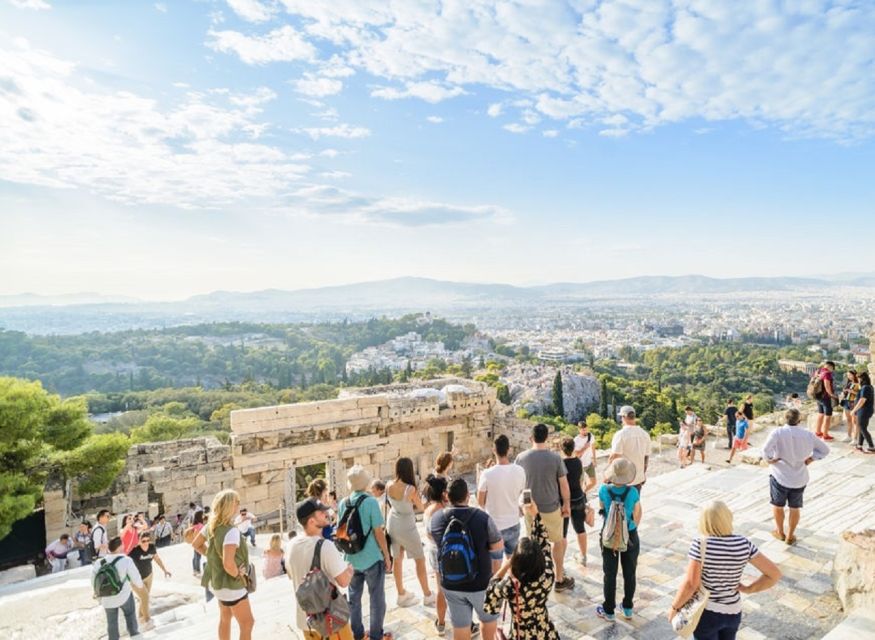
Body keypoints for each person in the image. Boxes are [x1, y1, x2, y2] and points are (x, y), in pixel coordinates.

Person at [668, 501, 781, 640]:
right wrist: (748, 589)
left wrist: (674, 608)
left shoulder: (700, 544)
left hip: (706, 612)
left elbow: (691, 584)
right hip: (733, 611)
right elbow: (774, 574)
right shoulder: (744, 543)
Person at [430, 478, 503, 640]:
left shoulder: (436, 519)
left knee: (461, 626)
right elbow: (497, 547)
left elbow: (433, 542)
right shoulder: (483, 518)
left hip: (451, 583)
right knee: (488, 619)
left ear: (447, 496)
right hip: (481, 583)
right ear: (468, 496)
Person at [483, 501, 559, 640]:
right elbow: (544, 543)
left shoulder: (510, 586)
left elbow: (490, 599)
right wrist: (535, 514)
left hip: (521, 634)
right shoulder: (548, 575)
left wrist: (506, 565)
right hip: (545, 631)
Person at [515, 423, 574, 592]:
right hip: (551, 507)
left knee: (533, 544)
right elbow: (564, 485)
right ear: (547, 438)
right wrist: (567, 505)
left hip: (529, 508)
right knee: (557, 541)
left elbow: (518, 485)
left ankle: (536, 576)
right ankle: (559, 578)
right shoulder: (555, 458)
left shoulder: (521, 458)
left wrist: (519, 505)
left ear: (530, 438)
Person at [287, 497, 353, 640]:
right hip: (330, 621)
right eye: (321, 512)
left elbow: (292, 575)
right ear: (311, 521)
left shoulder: (291, 545)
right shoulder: (325, 546)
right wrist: (349, 570)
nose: (326, 513)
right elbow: (343, 582)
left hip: (307, 620)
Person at [338, 465, 393, 640]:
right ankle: (376, 635)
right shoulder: (370, 502)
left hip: (351, 560)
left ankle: (358, 634)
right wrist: (386, 555)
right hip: (371, 558)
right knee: (376, 599)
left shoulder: (342, 503)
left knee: (354, 599)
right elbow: (379, 532)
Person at [192, 489, 255, 640]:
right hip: (232, 586)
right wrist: (239, 575)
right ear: (229, 506)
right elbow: (228, 564)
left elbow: (196, 544)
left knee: (225, 618)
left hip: (218, 584)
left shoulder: (211, 526)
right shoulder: (231, 531)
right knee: (247, 623)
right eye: (236, 502)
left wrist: (211, 556)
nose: (239, 505)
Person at [762, 409, 830, 545]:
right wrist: (811, 458)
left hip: (779, 475)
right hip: (799, 477)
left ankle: (780, 532)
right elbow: (825, 450)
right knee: (795, 508)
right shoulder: (808, 435)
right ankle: (790, 536)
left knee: (778, 505)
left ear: (784, 419)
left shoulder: (778, 432)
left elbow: (765, 451)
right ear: (799, 420)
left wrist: (770, 459)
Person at [596, 458, 642, 622]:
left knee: (610, 574)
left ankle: (609, 610)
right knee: (629, 573)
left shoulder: (603, 490)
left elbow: (602, 510)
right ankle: (628, 608)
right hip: (629, 536)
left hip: (609, 537)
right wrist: (630, 528)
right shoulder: (633, 492)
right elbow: (638, 514)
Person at [386, 457, 434, 607]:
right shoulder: (410, 489)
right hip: (406, 526)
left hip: (392, 523)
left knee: (397, 559)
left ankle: (401, 594)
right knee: (419, 559)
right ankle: (427, 594)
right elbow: (421, 507)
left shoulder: (388, 485)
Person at [477, 434, 526, 559]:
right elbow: (520, 493)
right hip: (514, 522)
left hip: (494, 525)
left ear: (494, 450)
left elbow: (480, 502)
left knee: (495, 564)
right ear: (509, 449)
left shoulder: (487, 474)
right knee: (512, 562)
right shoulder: (520, 471)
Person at [93, 536, 144, 640]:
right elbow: (136, 578)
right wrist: (140, 586)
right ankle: (135, 636)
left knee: (111, 623)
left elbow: (93, 582)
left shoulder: (99, 563)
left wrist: (100, 598)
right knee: (130, 616)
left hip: (107, 598)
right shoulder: (126, 560)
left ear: (109, 548)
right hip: (123, 596)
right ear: (120, 546)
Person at [129, 530, 172, 630]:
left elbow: (157, 558)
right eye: (143, 541)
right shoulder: (134, 551)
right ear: (139, 541)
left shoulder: (152, 547)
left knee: (144, 598)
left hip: (149, 576)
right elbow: (125, 564)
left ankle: (140, 617)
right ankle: (148, 620)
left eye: (148, 540)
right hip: (136, 579)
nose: (146, 543)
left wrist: (165, 570)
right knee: (145, 597)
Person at [423, 475, 449, 634]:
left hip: (432, 551)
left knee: (440, 588)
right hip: (445, 551)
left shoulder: (427, 510)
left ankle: (441, 623)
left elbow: (428, 535)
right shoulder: (443, 511)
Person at [560, 438, 589, 566]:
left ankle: (560, 560)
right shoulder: (578, 462)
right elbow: (580, 479)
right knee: (580, 529)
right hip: (578, 497)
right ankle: (583, 556)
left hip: (564, 500)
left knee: (562, 533)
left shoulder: (561, 464)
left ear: (562, 449)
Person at [609, 406, 650, 494]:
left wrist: (608, 474)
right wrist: (643, 474)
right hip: (638, 478)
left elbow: (614, 456)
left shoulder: (620, 435)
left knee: (620, 506)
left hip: (623, 480)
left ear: (623, 417)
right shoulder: (645, 434)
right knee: (635, 504)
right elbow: (646, 458)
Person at [851, 371, 875, 453]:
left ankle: (871, 446)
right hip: (865, 410)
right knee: (862, 428)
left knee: (863, 428)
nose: (857, 379)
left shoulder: (865, 388)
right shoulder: (869, 387)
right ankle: (859, 446)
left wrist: (854, 410)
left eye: (858, 378)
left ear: (862, 378)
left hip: (864, 411)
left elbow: (862, 400)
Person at [813, 362, 837, 441]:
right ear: (830, 367)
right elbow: (827, 385)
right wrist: (831, 395)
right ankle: (825, 435)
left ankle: (818, 432)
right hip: (825, 397)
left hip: (818, 396)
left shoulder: (818, 371)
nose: (832, 371)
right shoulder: (827, 373)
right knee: (828, 416)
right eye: (832, 369)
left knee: (821, 414)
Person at [572, 420, 597, 494]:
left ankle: (584, 493)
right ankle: (581, 497)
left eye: (586, 429)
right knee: (580, 484)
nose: (585, 431)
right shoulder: (576, 440)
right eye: (583, 430)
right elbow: (576, 454)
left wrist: (594, 459)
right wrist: (585, 448)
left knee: (594, 482)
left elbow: (593, 447)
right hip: (580, 465)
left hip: (589, 463)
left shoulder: (590, 436)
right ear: (579, 430)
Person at [840, 370, 860, 443]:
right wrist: (844, 391)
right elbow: (845, 392)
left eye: (850, 375)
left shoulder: (859, 383)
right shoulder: (848, 383)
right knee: (848, 420)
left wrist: (852, 392)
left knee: (855, 421)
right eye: (848, 375)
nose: (849, 377)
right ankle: (848, 436)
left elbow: (862, 395)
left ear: (854, 375)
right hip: (846, 402)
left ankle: (855, 438)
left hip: (854, 403)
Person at [189, 510, 205, 575]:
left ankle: (195, 570)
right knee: (198, 556)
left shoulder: (193, 525)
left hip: (194, 541)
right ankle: (197, 570)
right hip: (199, 542)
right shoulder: (200, 525)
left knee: (195, 556)